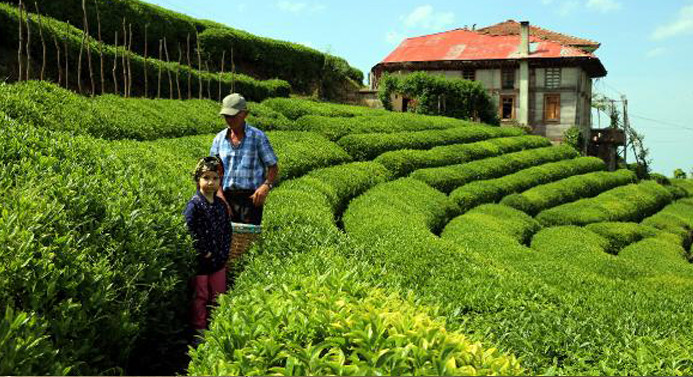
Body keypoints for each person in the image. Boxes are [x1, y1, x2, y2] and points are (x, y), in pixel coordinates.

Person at [210, 93, 279, 225]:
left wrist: (266, 186)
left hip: (251, 200)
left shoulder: (258, 137)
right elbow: (213, 171)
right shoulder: (219, 139)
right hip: (225, 196)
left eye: (233, 116)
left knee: (248, 242)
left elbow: (273, 167)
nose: (229, 120)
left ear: (244, 114)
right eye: (226, 116)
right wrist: (219, 196)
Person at [183, 156, 232, 339]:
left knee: (218, 296)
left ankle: (216, 329)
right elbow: (189, 230)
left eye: (215, 178)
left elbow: (227, 230)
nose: (211, 182)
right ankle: (199, 331)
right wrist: (205, 251)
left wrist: (223, 252)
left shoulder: (220, 205)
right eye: (206, 177)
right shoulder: (194, 205)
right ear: (198, 180)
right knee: (200, 296)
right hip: (201, 262)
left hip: (219, 261)